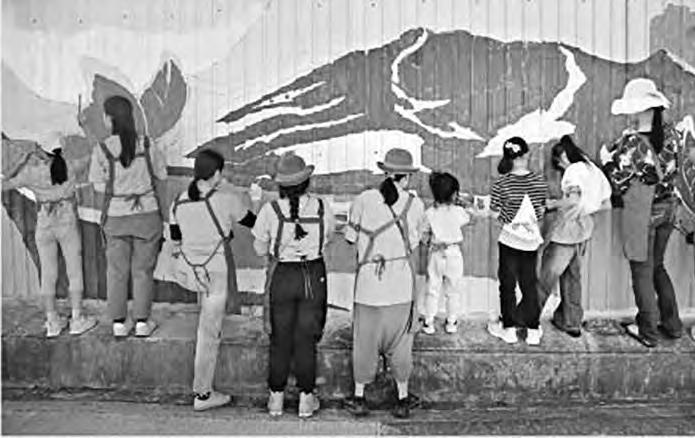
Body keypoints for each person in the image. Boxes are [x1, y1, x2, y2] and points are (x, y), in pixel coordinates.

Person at [169, 149, 256, 411]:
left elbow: (175, 237)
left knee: (205, 324)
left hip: (190, 269)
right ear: (216, 173)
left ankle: (203, 389)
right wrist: (251, 198)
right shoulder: (226, 199)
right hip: (214, 270)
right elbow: (251, 221)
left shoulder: (179, 201)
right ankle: (203, 394)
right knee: (208, 332)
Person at [343, 148, 426, 419]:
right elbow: (415, 243)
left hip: (368, 287)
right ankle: (402, 399)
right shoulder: (415, 205)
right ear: (407, 177)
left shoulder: (364, 199)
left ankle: (359, 397)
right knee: (402, 344)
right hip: (400, 288)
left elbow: (350, 238)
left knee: (364, 342)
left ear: (386, 173)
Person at [600, 78, 684, 347]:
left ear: (641, 108)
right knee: (658, 266)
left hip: (644, 212)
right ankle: (672, 325)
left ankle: (647, 331)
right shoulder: (672, 135)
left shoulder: (632, 144)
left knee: (642, 271)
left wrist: (606, 160)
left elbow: (618, 182)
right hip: (669, 208)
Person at [252, 153, 335, 418]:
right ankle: (306, 400)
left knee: (279, 337)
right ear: (306, 182)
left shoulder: (270, 210)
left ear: (281, 185)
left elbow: (259, 248)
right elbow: (329, 236)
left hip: (283, 275)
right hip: (313, 275)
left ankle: (275, 398)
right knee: (306, 338)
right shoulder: (322, 207)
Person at [87, 95, 167, 338]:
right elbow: (162, 175)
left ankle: (119, 323)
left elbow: (98, 186)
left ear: (109, 118)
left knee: (116, 271)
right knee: (143, 271)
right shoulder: (148, 144)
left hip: (116, 216)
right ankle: (142, 322)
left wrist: (119, 186)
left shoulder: (102, 149)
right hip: (147, 215)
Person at [2, 135, 97, 338]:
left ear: (41, 151)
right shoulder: (70, 167)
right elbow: (90, 158)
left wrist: (15, 164)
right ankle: (77, 319)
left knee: (48, 274)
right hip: (67, 222)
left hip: (44, 224)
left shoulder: (30, 173)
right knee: (74, 271)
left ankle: (52, 321)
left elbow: (4, 184)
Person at [537, 135, 611, 338]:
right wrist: (584, 211)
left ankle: (529, 319)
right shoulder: (592, 170)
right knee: (572, 277)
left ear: (563, 156)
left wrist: (551, 204)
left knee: (546, 276)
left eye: (558, 163)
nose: (560, 168)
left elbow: (572, 200)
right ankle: (571, 322)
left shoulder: (572, 171)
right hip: (584, 229)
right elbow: (606, 203)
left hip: (567, 231)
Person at [487, 137, 548, 345]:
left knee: (508, 284)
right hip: (530, 242)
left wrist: (508, 216)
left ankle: (509, 330)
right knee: (529, 284)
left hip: (509, 241)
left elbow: (495, 214)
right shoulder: (538, 181)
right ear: (526, 155)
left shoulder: (501, 183)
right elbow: (540, 212)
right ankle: (533, 330)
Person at [420, 171, 471, 335]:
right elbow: (469, 217)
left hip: (436, 253)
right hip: (454, 253)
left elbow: (423, 235)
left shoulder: (429, 213)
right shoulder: (458, 212)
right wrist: (462, 204)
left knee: (432, 289)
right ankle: (451, 322)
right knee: (453, 291)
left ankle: (428, 322)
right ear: (454, 194)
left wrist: (429, 241)